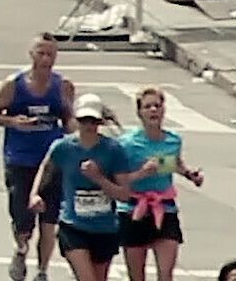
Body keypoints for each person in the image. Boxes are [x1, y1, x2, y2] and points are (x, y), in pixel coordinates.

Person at [0, 34, 77, 281]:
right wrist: (13, 121)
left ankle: (42, 270)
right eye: (41, 53)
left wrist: (77, 130)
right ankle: (21, 249)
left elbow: (68, 116)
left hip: (52, 160)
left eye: (51, 54)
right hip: (20, 158)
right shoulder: (14, 84)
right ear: (31, 54)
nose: (46, 59)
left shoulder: (63, 86)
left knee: (50, 220)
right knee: (22, 218)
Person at [30, 95, 137, 281]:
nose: (89, 125)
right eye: (84, 120)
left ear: (100, 121)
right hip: (73, 225)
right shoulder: (63, 147)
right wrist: (35, 195)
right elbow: (46, 168)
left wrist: (99, 178)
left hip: (104, 228)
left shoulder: (113, 150)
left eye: (94, 121)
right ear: (76, 119)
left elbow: (124, 194)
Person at [118, 87, 203, 281]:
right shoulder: (127, 143)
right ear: (139, 112)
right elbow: (118, 181)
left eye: (158, 105)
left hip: (164, 208)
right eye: (148, 106)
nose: (154, 110)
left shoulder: (173, 141)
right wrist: (142, 173)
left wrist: (191, 175)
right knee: (136, 276)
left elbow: (174, 164)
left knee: (166, 274)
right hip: (133, 209)